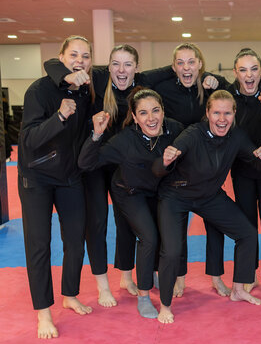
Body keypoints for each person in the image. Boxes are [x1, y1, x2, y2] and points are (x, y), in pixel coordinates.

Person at [44, 45, 175, 307]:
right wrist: (67, 75)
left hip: (121, 165)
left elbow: (174, 68)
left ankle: (128, 277)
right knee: (97, 224)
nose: (121, 70)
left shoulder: (143, 82)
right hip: (94, 163)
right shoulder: (101, 78)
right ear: (108, 65)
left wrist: (213, 79)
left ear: (137, 67)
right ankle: (103, 284)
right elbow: (51, 63)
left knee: (128, 222)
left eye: (128, 64)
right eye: (116, 64)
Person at [152, 90, 261, 323]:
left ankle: (238, 289)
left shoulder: (236, 136)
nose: (222, 119)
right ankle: (165, 304)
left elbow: (255, 160)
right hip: (176, 195)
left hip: (208, 196)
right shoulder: (192, 134)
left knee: (247, 234)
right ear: (207, 113)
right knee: (172, 250)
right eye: (216, 112)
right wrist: (167, 160)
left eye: (227, 113)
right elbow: (162, 165)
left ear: (234, 114)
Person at [78, 87, 184, 319]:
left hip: (159, 191)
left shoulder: (174, 130)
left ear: (163, 111)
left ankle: (156, 273)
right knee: (149, 237)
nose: (151, 118)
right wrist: (96, 134)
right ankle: (143, 296)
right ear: (134, 118)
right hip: (129, 192)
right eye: (143, 113)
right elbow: (86, 163)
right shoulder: (124, 140)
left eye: (156, 111)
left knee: (167, 234)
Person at [18, 35, 95, 339]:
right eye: (73, 54)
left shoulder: (86, 90)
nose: (80, 60)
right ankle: (43, 312)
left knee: (76, 240)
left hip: (69, 175)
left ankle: (70, 294)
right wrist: (59, 116)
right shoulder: (38, 90)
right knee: (39, 246)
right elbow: (28, 140)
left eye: (85, 56)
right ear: (61, 58)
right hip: (35, 177)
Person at [154, 42, 230, 296]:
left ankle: (217, 277)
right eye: (180, 63)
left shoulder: (211, 86)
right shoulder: (164, 89)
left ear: (200, 64)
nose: (186, 68)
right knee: (178, 226)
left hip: (208, 167)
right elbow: (142, 79)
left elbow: (234, 94)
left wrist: (215, 80)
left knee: (215, 225)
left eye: (191, 62)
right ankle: (179, 278)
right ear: (173, 67)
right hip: (177, 169)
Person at [226, 48, 261, 303]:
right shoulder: (230, 97)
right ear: (236, 73)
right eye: (243, 70)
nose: (249, 75)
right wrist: (251, 151)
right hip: (243, 170)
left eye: (254, 69)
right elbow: (229, 134)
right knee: (247, 224)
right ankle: (248, 275)